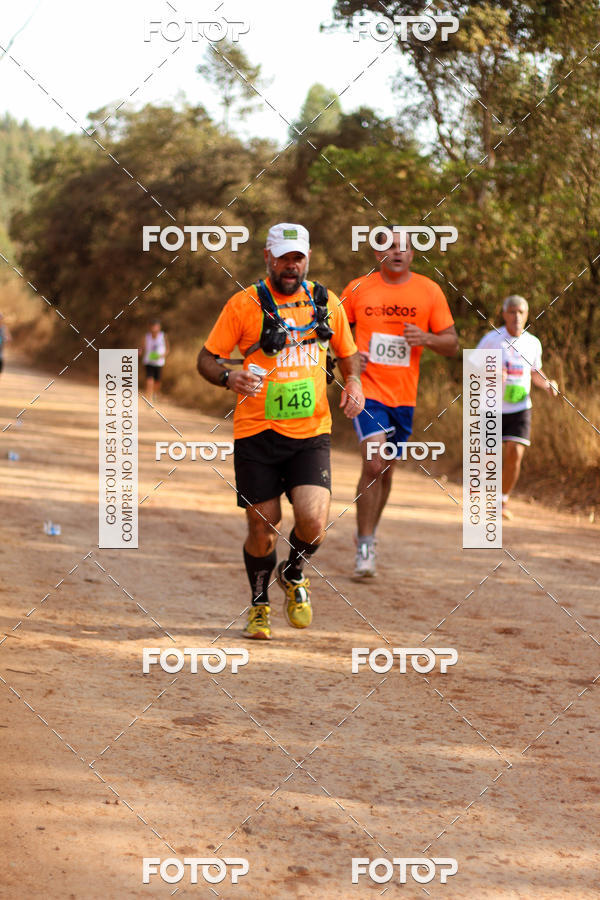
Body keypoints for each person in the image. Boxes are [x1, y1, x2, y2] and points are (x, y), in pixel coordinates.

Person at [197, 223, 364, 640]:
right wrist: (226, 378)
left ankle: (293, 572)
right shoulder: (244, 304)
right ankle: (259, 604)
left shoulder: (326, 302)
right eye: (284, 258)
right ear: (268, 258)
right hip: (256, 433)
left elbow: (349, 354)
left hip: (310, 434)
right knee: (262, 526)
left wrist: (355, 382)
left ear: (306, 259)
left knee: (313, 523)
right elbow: (206, 358)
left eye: (299, 258)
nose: (292, 266)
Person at [341, 229, 458, 579]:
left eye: (404, 247)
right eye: (390, 246)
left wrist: (426, 338)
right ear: (378, 253)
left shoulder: (428, 291)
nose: (397, 252)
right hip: (367, 391)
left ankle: (370, 535)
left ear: (412, 255)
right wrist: (345, 365)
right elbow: (335, 333)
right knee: (374, 463)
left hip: (404, 397)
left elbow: (451, 343)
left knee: (386, 471)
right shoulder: (357, 289)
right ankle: (363, 546)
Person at [477, 294, 558, 519]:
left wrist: (548, 384)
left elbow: (535, 373)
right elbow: (473, 368)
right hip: (491, 406)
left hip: (520, 407)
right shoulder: (491, 340)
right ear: (504, 314)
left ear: (527, 315)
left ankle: (502, 501)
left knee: (516, 451)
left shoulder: (533, 343)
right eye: (512, 312)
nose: (516, 316)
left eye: (521, 312)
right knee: (488, 456)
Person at [139, 318, 169, 400]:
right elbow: (142, 347)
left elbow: (167, 349)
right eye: (153, 326)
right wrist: (140, 351)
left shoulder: (163, 336)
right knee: (149, 379)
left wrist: (163, 355)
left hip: (159, 362)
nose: (154, 328)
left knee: (157, 381)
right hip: (148, 360)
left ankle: (155, 394)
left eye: (156, 326)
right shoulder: (146, 336)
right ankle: (148, 397)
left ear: (159, 327)